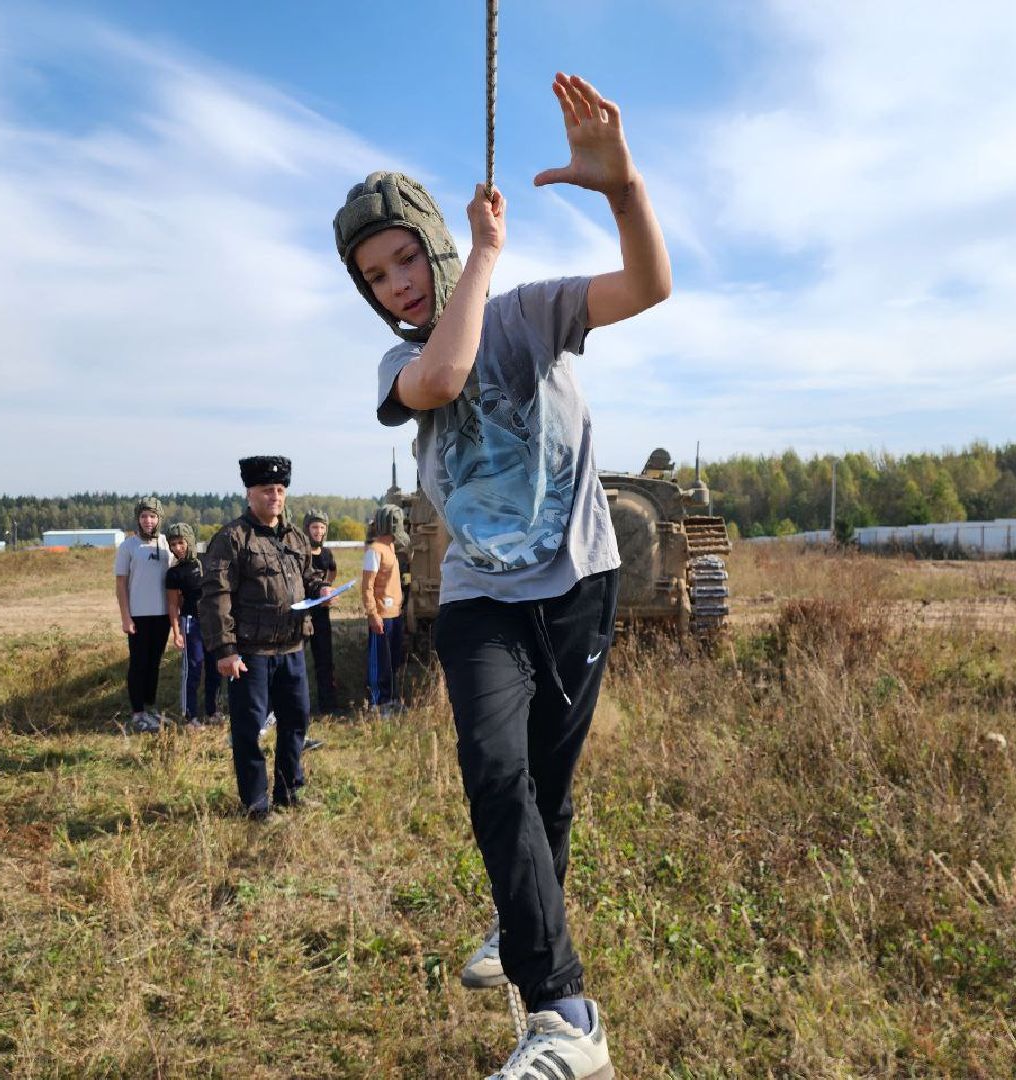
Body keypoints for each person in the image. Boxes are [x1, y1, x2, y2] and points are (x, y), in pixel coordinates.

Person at [333, 72, 670, 1077]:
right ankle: (566, 1018)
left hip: (577, 582)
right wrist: (477, 258)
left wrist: (621, 189)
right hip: (482, 599)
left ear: (430, 243)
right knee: (495, 773)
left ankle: (518, 921)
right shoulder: (394, 370)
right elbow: (439, 378)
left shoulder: (533, 315)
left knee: (547, 795)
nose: (396, 283)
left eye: (405, 258)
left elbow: (649, 285)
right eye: (375, 275)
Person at [199, 456, 332, 818]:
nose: (275, 496)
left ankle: (289, 792)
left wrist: (321, 589)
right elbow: (215, 597)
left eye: (280, 490)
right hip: (251, 654)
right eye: (266, 490)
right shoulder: (232, 539)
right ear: (250, 493)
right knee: (249, 729)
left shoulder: (295, 537)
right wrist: (225, 650)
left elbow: (307, 577)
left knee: (296, 723)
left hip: (291, 648)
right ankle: (256, 804)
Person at [114, 496, 172, 734]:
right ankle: (137, 713)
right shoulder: (128, 546)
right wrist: (126, 617)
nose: (148, 521)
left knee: (155, 663)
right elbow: (121, 585)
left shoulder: (167, 543)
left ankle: (150, 707)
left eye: (152, 516)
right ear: (138, 519)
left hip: (162, 615)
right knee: (138, 664)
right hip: (138, 615)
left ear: (159, 518)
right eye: (144, 516)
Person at [165, 523, 221, 728]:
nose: (178, 548)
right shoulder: (174, 573)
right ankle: (190, 716)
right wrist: (177, 632)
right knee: (194, 667)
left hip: (213, 623)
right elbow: (173, 604)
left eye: (181, 542)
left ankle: (213, 711)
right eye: (173, 544)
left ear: (190, 541)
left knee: (215, 667)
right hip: (191, 623)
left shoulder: (207, 561)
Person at [361, 505, 406, 710]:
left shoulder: (391, 547)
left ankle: (392, 699)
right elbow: (367, 586)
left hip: (396, 614)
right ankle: (378, 702)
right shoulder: (374, 550)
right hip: (382, 615)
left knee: (393, 660)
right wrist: (373, 614)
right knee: (379, 661)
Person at [301, 510, 340, 714]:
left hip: (322, 613)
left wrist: (327, 589)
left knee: (325, 660)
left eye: (322, 527)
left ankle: (328, 706)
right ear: (307, 529)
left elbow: (332, 571)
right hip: (304, 614)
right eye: (315, 527)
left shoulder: (326, 553)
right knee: (296, 661)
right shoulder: (301, 553)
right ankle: (298, 706)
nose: (319, 531)